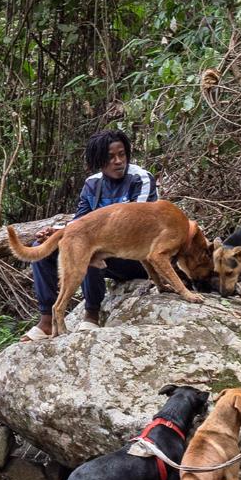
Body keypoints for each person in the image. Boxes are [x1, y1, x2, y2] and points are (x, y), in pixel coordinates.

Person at [26, 127, 158, 336]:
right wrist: (56, 232)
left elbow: (135, 226)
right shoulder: (92, 184)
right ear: (98, 160)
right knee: (41, 249)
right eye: (110, 157)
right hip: (103, 248)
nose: (118, 161)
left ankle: (92, 315)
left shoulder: (140, 179)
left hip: (135, 255)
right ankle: (47, 319)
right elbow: (80, 222)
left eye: (122, 154)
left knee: (88, 247)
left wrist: (84, 235)